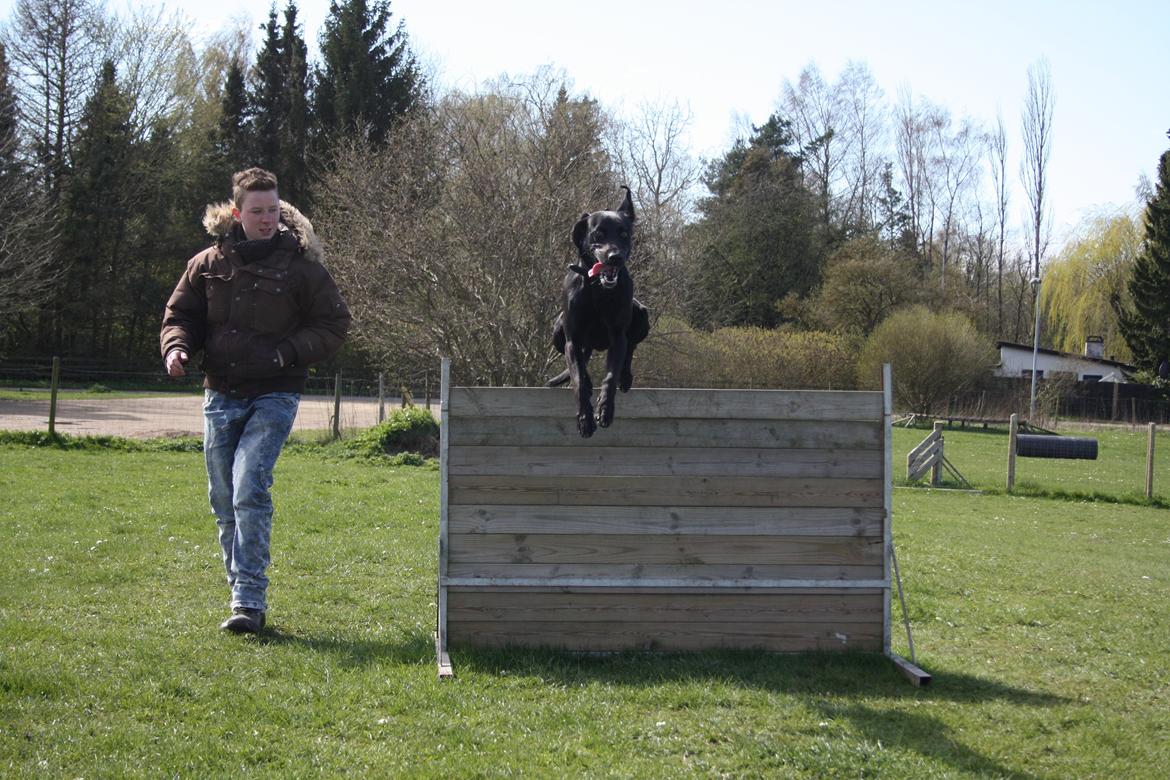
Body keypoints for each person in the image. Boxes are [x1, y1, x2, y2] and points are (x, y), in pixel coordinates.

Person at [160, 168, 351, 633]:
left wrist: (287, 352)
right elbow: (179, 314)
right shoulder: (206, 264)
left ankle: (249, 601)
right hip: (220, 392)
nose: (267, 220)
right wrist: (177, 347)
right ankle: (240, 595)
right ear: (236, 213)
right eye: (257, 211)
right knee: (223, 498)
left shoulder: (303, 268)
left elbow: (334, 324)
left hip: (276, 392)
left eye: (273, 211)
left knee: (249, 486)